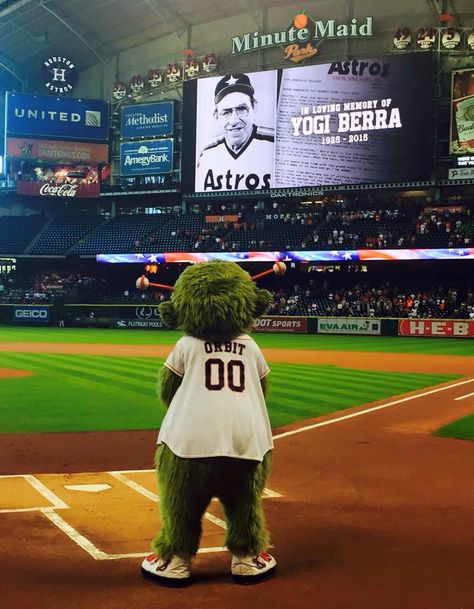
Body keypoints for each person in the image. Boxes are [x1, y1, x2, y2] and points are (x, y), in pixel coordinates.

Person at [196, 73, 275, 192]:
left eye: (241, 109)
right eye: (226, 112)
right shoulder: (206, 152)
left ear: (255, 107)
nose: (233, 121)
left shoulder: (275, 143)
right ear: (216, 116)